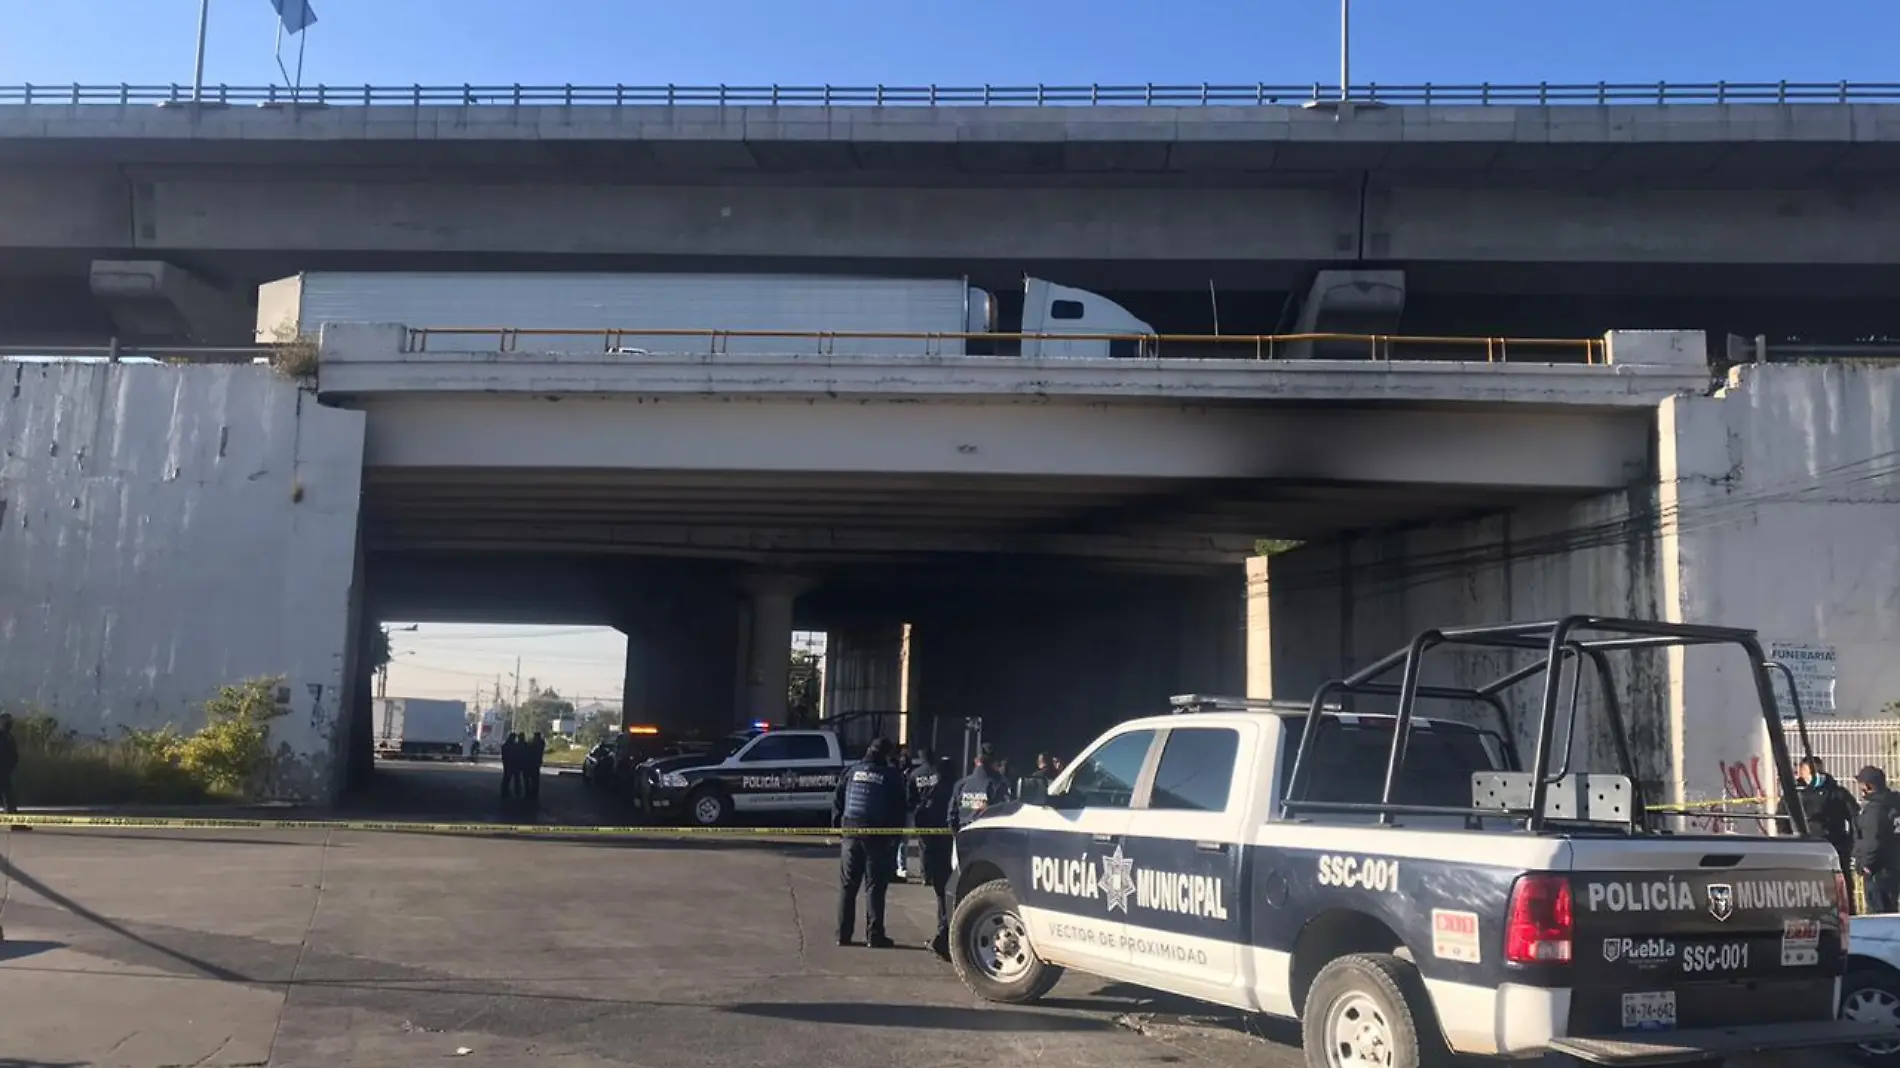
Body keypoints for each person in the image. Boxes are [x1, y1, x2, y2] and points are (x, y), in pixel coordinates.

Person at [832, 737, 907, 948]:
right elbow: (899, 809)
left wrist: (838, 828)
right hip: (876, 838)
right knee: (874, 887)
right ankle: (874, 935)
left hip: (850, 834)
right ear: (886, 756)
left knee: (848, 886)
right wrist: (895, 838)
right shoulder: (891, 776)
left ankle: (843, 935)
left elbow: (838, 801)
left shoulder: (851, 771)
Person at [908, 749, 957, 959]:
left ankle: (944, 936)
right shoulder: (954, 786)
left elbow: (910, 803)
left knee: (942, 890)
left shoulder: (915, 775)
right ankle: (944, 935)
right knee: (946, 890)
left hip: (929, 838)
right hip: (949, 840)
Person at [1794, 756, 1859, 895]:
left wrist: (1850, 842)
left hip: (1835, 846)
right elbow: (1782, 819)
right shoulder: (1796, 794)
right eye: (1811, 772)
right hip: (1806, 848)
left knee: (1843, 887)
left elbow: (1855, 816)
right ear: (1801, 772)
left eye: (1820, 771)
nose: (1817, 775)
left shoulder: (1836, 792)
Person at [1853, 766, 1900, 913]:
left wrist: (1866, 866)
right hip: (1894, 866)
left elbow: (1873, 841)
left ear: (1868, 786)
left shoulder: (1875, 809)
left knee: (1878, 913)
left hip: (1878, 870)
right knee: (1891, 911)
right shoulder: (1894, 803)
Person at [951, 744, 1011, 834]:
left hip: (963, 836)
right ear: (994, 763)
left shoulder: (961, 784)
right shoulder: (999, 784)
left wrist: (957, 837)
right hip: (986, 838)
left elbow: (952, 815)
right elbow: (1005, 813)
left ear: (976, 761)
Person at [0, 712, 19, 818]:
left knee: (9, 799)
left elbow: (14, 755)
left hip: (5, 772)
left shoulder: (9, 736)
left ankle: (15, 821)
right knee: (8, 798)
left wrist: (10, 767)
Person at [500, 732, 521, 800]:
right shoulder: (512, 746)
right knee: (514, 779)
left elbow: (504, 755)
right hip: (512, 764)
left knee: (507, 778)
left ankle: (505, 791)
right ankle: (516, 792)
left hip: (508, 764)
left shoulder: (506, 745)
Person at [527, 732, 547, 803]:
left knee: (533, 777)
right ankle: (534, 792)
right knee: (535, 778)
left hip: (533, 762)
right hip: (537, 761)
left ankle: (532, 792)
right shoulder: (541, 743)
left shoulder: (535, 744)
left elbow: (530, 749)